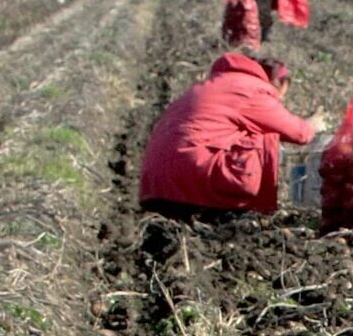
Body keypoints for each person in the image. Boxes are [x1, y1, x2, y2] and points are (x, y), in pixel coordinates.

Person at [139, 54, 325, 217]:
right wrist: (314, 123)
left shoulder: (207, 86)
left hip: (155, 186)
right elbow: (299, 133)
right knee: (269, 143)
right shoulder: (250, 89)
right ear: (278, 82)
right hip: (195, 178)